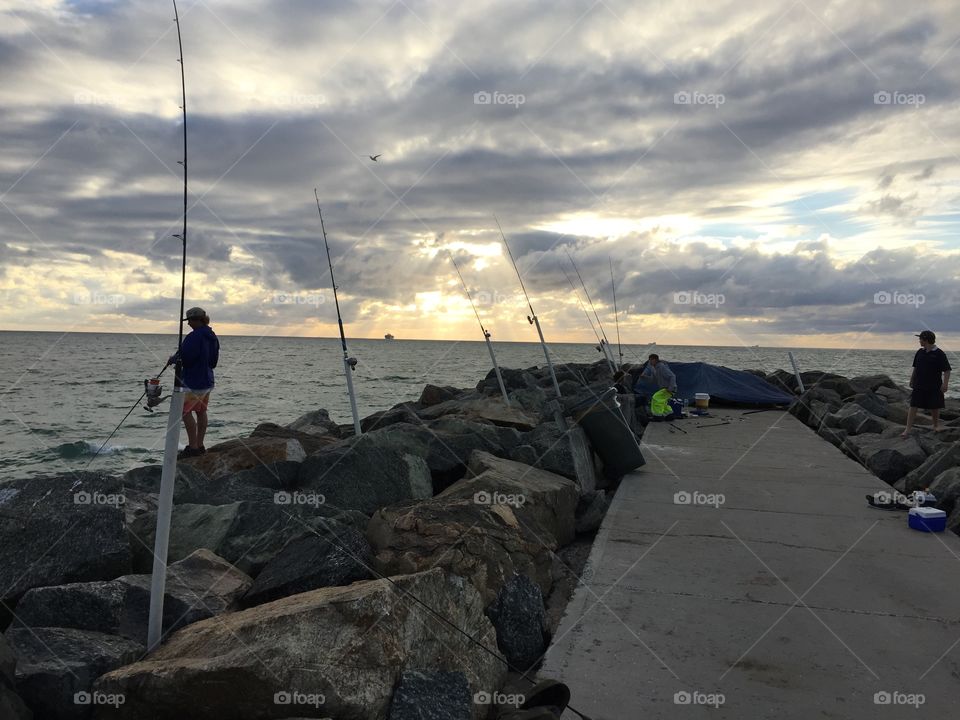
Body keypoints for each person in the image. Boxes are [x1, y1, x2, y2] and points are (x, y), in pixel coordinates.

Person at [168, 307, 219, 458]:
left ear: (197, 320)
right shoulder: (212, 336)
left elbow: (185, 358)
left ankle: (193, 447)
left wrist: (173, 359)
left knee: (184, 412)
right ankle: (200, 445)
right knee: (201, 412)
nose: (188, 323)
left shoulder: (193, 337)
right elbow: (213, 361)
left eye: (190, 320)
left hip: (193, 381)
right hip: (207, 380)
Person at [902, 330, 950, 438]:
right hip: (919, 384)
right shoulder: (920, 352)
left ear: (926, 340)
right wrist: (911, 380)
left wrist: (945, 384)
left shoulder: (939, 353)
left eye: (920, 339)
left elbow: (947, 370)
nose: (919, 341)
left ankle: (936, 425)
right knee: (913, 405)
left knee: (935, 406)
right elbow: (915, 367)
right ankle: (907, 429)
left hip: (934, 384)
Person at [637, 354, 678, 418]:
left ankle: (657, 416)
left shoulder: (661, 367)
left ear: (655, 360)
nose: (650, 362)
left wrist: (670, 388)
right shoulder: (654, 368)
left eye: (651, 360)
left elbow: (672, 376)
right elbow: (652, 380)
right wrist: (644, 377)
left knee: (655, 398)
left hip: (669, 388)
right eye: (649, 360)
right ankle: (669, 415)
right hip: (663, 388)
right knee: (663, 403)